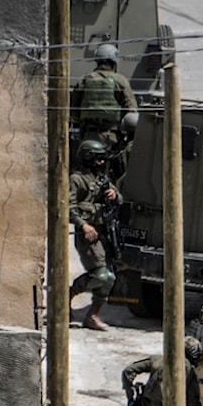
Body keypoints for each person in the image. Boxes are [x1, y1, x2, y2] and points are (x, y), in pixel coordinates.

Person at [69, 139, 123, 330]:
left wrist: (114, 195)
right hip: (88, 235)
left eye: (103, 159)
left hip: (105, 233)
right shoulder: (77, 179)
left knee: (110, 278)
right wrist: (83, 225)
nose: (101, 163)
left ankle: (92, 315)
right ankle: (68, 294)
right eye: (97, 159)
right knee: (101, 275)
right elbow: (69, 206)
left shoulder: (102, 178)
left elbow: (120, 199)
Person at [71, 43, 137, 154]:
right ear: (114, 62)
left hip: (88, 135)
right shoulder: (120, 81)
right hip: (112, 136)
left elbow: (74, 111)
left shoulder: (84, 80)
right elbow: (131, 111)